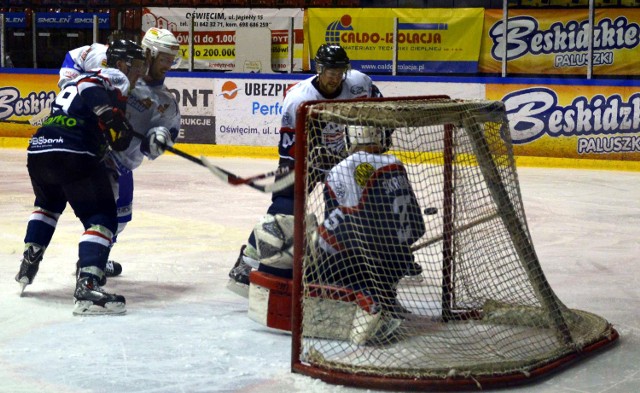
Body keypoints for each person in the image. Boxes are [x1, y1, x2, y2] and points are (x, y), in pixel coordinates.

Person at [226, 44, 383, 297]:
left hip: (344, 157)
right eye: (329, 70)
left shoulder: (359, 83)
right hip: (306, 156)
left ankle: (343, 266)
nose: (334, 77)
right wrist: (294, 176)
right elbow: (289, 148)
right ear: (319, 69)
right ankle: (248, 260)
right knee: (285, 207)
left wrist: (380, 135)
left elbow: (382, 109)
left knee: (350, 208)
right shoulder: (298, 98)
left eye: (339, 70)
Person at [15, 40, 148, 315]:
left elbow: (113, 136)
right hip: (73, 151)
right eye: (136, 66)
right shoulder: (113, 76)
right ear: (122, 63)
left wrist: (125, 134)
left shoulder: (84, 80)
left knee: (48, 205)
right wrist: (108, 114)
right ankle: (87, 285)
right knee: (101, 216)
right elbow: (90, 90)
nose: (139, 73)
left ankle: (31, 255)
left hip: (40, 150)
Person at [58, 28, 181, 281]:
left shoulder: (166, 101)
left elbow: (166, 133)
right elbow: (74, 57)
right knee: (103, 213)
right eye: (165, 58)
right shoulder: (110, 58)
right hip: (93, 150)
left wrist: (158, 140)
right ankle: (91, 264)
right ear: (149, 53)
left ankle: (97, 255)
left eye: (172, 59)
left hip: (123, 159)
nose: (169, 64)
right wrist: (68, 86)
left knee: (122, 218)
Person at [310, 125, 425, 316]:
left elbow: (347, 219)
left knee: (314, 241)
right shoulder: (395, 163)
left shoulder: (346, 167)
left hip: (360, 264)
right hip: (399, 261)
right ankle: (385, 296)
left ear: (350, 138)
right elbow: (417, 225)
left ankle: (363, 298)